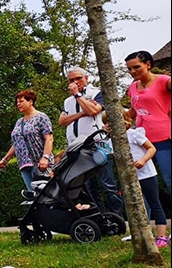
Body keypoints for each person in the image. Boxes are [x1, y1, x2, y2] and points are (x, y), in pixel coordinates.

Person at [59, 67, 123, 216]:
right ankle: (100, 216)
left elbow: (94, 111)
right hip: (77, 146)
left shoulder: (97, 93)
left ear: (86, 78)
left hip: (97, 144)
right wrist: (83, 112)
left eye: (78, 79)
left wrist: (78, 95)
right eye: (71, 80)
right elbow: (62, 121)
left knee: (108, 183)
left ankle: (117, 216)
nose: (75, 83)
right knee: (89, 185)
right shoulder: (68, 101)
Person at [119, 110, 168, 247]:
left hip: (146, 174)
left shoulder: (134, 134)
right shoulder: (114, 141)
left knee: (154, 203)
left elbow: (151, 149)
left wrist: (143, 160)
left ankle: (162, 236)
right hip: (130, 178)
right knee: (135, 205)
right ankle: (140, 233)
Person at [126, 50, 172, 191]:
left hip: (164, 138)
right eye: (129, 69)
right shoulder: (132, 87)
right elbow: (132, 114)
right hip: (142, 141)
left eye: (136, 67)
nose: (132, 71)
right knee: (145, 184)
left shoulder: (164, 81)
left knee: (169, 179)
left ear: (148, 64)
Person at [0, 90, 55, 190]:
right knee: (33, 196)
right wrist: (5, 160)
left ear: (30, 102)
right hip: (24, 165)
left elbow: (49, 139)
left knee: (47, 194)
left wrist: (45, 157)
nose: (18, 104)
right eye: (17, 102)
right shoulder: (19, 122)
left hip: (40, 164)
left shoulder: (41, 117)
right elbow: (17, 143)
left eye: (21, 101)